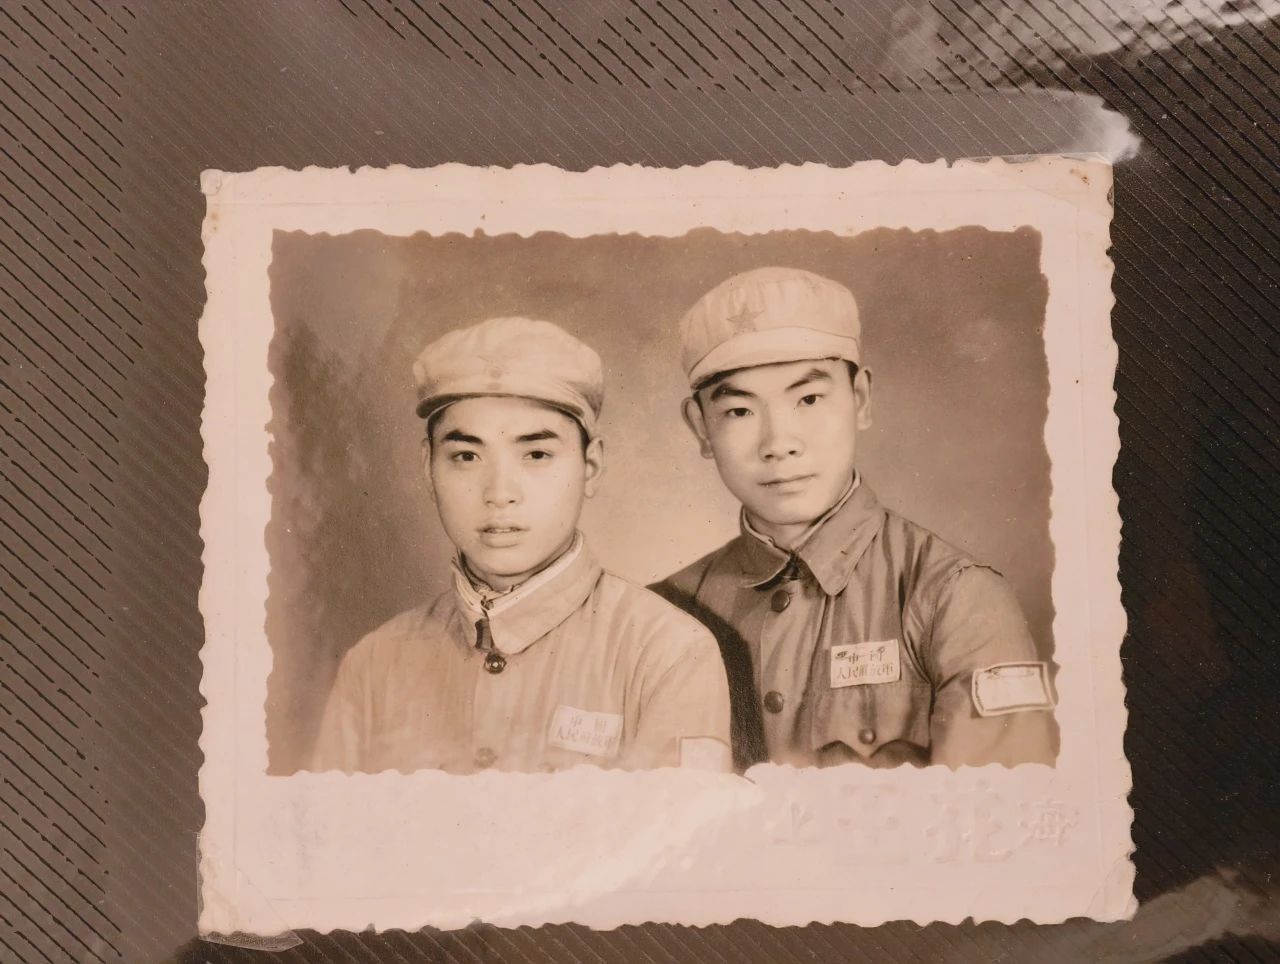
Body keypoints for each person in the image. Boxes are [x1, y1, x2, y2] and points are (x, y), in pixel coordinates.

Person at [651, 267, 1057, 771]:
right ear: (700, 427)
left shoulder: (955, 599)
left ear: (860, 399)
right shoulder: (661, 615)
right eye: (739, 411)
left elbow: (998, 812)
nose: (779, 443)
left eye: (808, 399)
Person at [312, 316, 732, 775]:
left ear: (590, 466)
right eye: (466, 456)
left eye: (535, 454)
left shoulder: (668, 653)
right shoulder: (374, 664)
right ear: (428, 468)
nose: (499, 493)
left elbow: (682, 824)